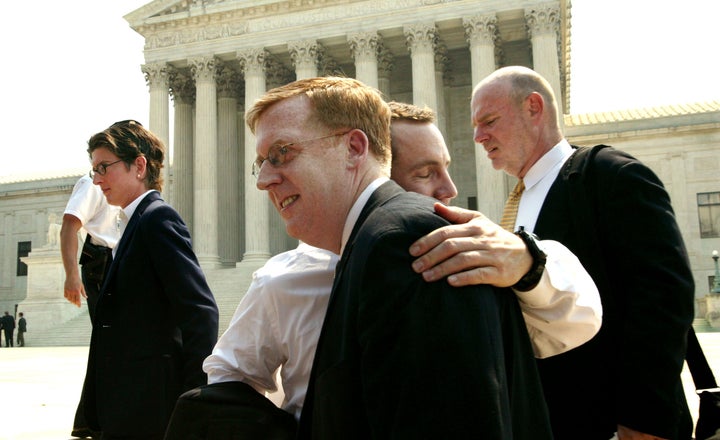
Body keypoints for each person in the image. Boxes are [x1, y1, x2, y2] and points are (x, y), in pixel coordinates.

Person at [203, 101, 601, 421]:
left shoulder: (462, 249)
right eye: (425, 173)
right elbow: (228, 378)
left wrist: (527, 261)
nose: (448, 189)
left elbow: (575, 322)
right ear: (372, 165)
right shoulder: (286, 279)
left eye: (445, 168)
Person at [248, 76, 553, 439]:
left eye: (281, 153)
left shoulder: (403, 243)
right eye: (262, 162)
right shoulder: (370, 241)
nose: (263, 179)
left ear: (354, 148)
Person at [410, 66, 695, 440]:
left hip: (611, 423)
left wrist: (642, 421)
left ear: (533, 107)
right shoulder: (518, 201)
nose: (478, 137)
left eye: (489, 121)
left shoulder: (611, 176)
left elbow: (664, 298)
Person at [82, 120, 219, 439]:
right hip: (130, 402)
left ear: (139, 165)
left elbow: (200, 310)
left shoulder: (157, 218)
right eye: (94, 170)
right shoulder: (134, 223)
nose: (98, 180)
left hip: (152, 406)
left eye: (104, 167)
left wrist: (192, 397)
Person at [61, 174, 121, 439]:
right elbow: (68, 226)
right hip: (99, 261)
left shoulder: (125, 182)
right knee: (108, 343)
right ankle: (96, 421)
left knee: (108, 345)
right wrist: (72, 276)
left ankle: (88, 420)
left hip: (116, 260)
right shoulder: (92, 182)